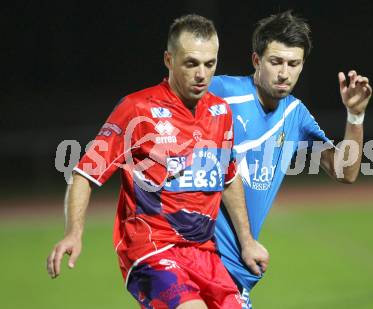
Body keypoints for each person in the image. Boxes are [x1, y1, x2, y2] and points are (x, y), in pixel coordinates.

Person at [46, 14, 269, 309]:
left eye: (210, 63)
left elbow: (228, 179)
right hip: (151, 250)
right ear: (169, 59)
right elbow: (84, 174)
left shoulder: (220, 112)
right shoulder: (137, 110)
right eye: (191, 63)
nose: (202, 74)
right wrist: (73, 233)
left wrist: (247, 241)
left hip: (204, 254)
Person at [208, 10, 372, 307]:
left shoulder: (295, 114)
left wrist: (355, 115)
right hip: (200, 261)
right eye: (276, 62)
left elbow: (345, 171)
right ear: (257, 61)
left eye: (293, 64)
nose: (284, 73)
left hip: (238, 271)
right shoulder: (221, 92)